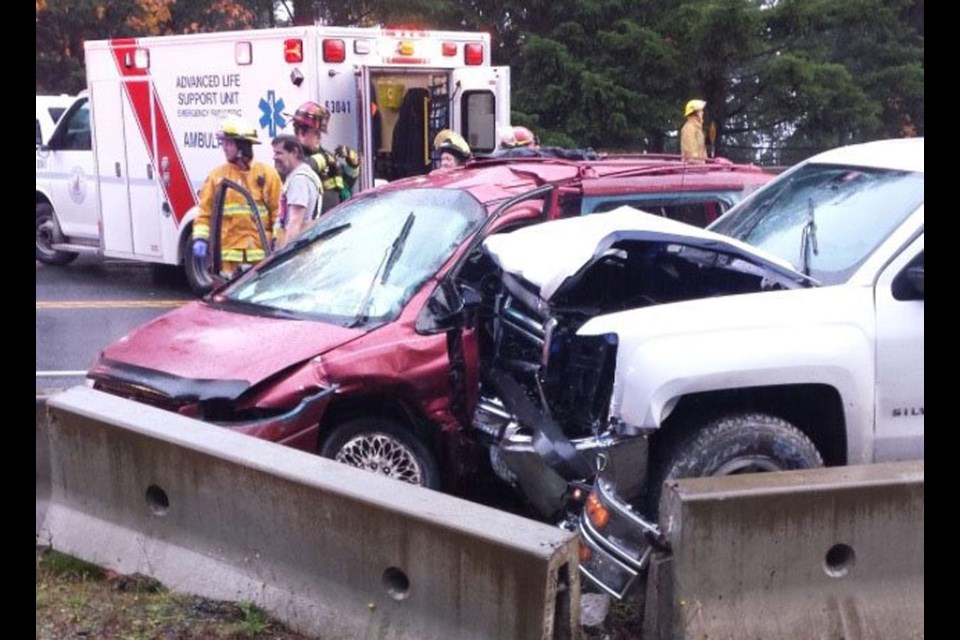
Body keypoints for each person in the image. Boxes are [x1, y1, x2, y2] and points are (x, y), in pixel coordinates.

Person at [192, 117, 282, 275]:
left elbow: (279, 214)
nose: (224, 148)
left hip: (260, 257)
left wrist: (278, 242)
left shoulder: (267, 175)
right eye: (223, 143)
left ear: (242, 146)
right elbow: (205, 214)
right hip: (228, 260)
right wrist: (200, 238)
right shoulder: (217, 177)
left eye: (229, 143)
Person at [285, 101, 361, 214]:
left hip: (334, 221)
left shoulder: (324, 155)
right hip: (311, 226)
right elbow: (303, 169)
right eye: (316, 133)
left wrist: (353, 165)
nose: (319, 137)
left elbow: (345, 186)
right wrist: (324, 159)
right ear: (301, 132)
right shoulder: (291, 155)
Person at [272, 134, 322, 250]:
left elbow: (295, 222)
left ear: (294, 152)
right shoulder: (302, 175)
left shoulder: (298, 180)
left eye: (279, 153)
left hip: (299, 252)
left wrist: (286, 255)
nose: (274, 158)